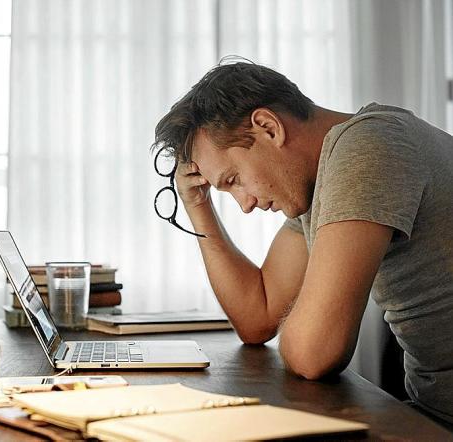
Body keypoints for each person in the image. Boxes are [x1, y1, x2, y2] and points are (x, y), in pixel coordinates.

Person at [153, 60, 453, 426]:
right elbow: (257, 318)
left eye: (234, 179)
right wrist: (197, 204)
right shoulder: (319, 183)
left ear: (267, 127)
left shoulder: (370, 147)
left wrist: (308, 322)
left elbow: (315, 353)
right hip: (430, 412)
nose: (246, 204)